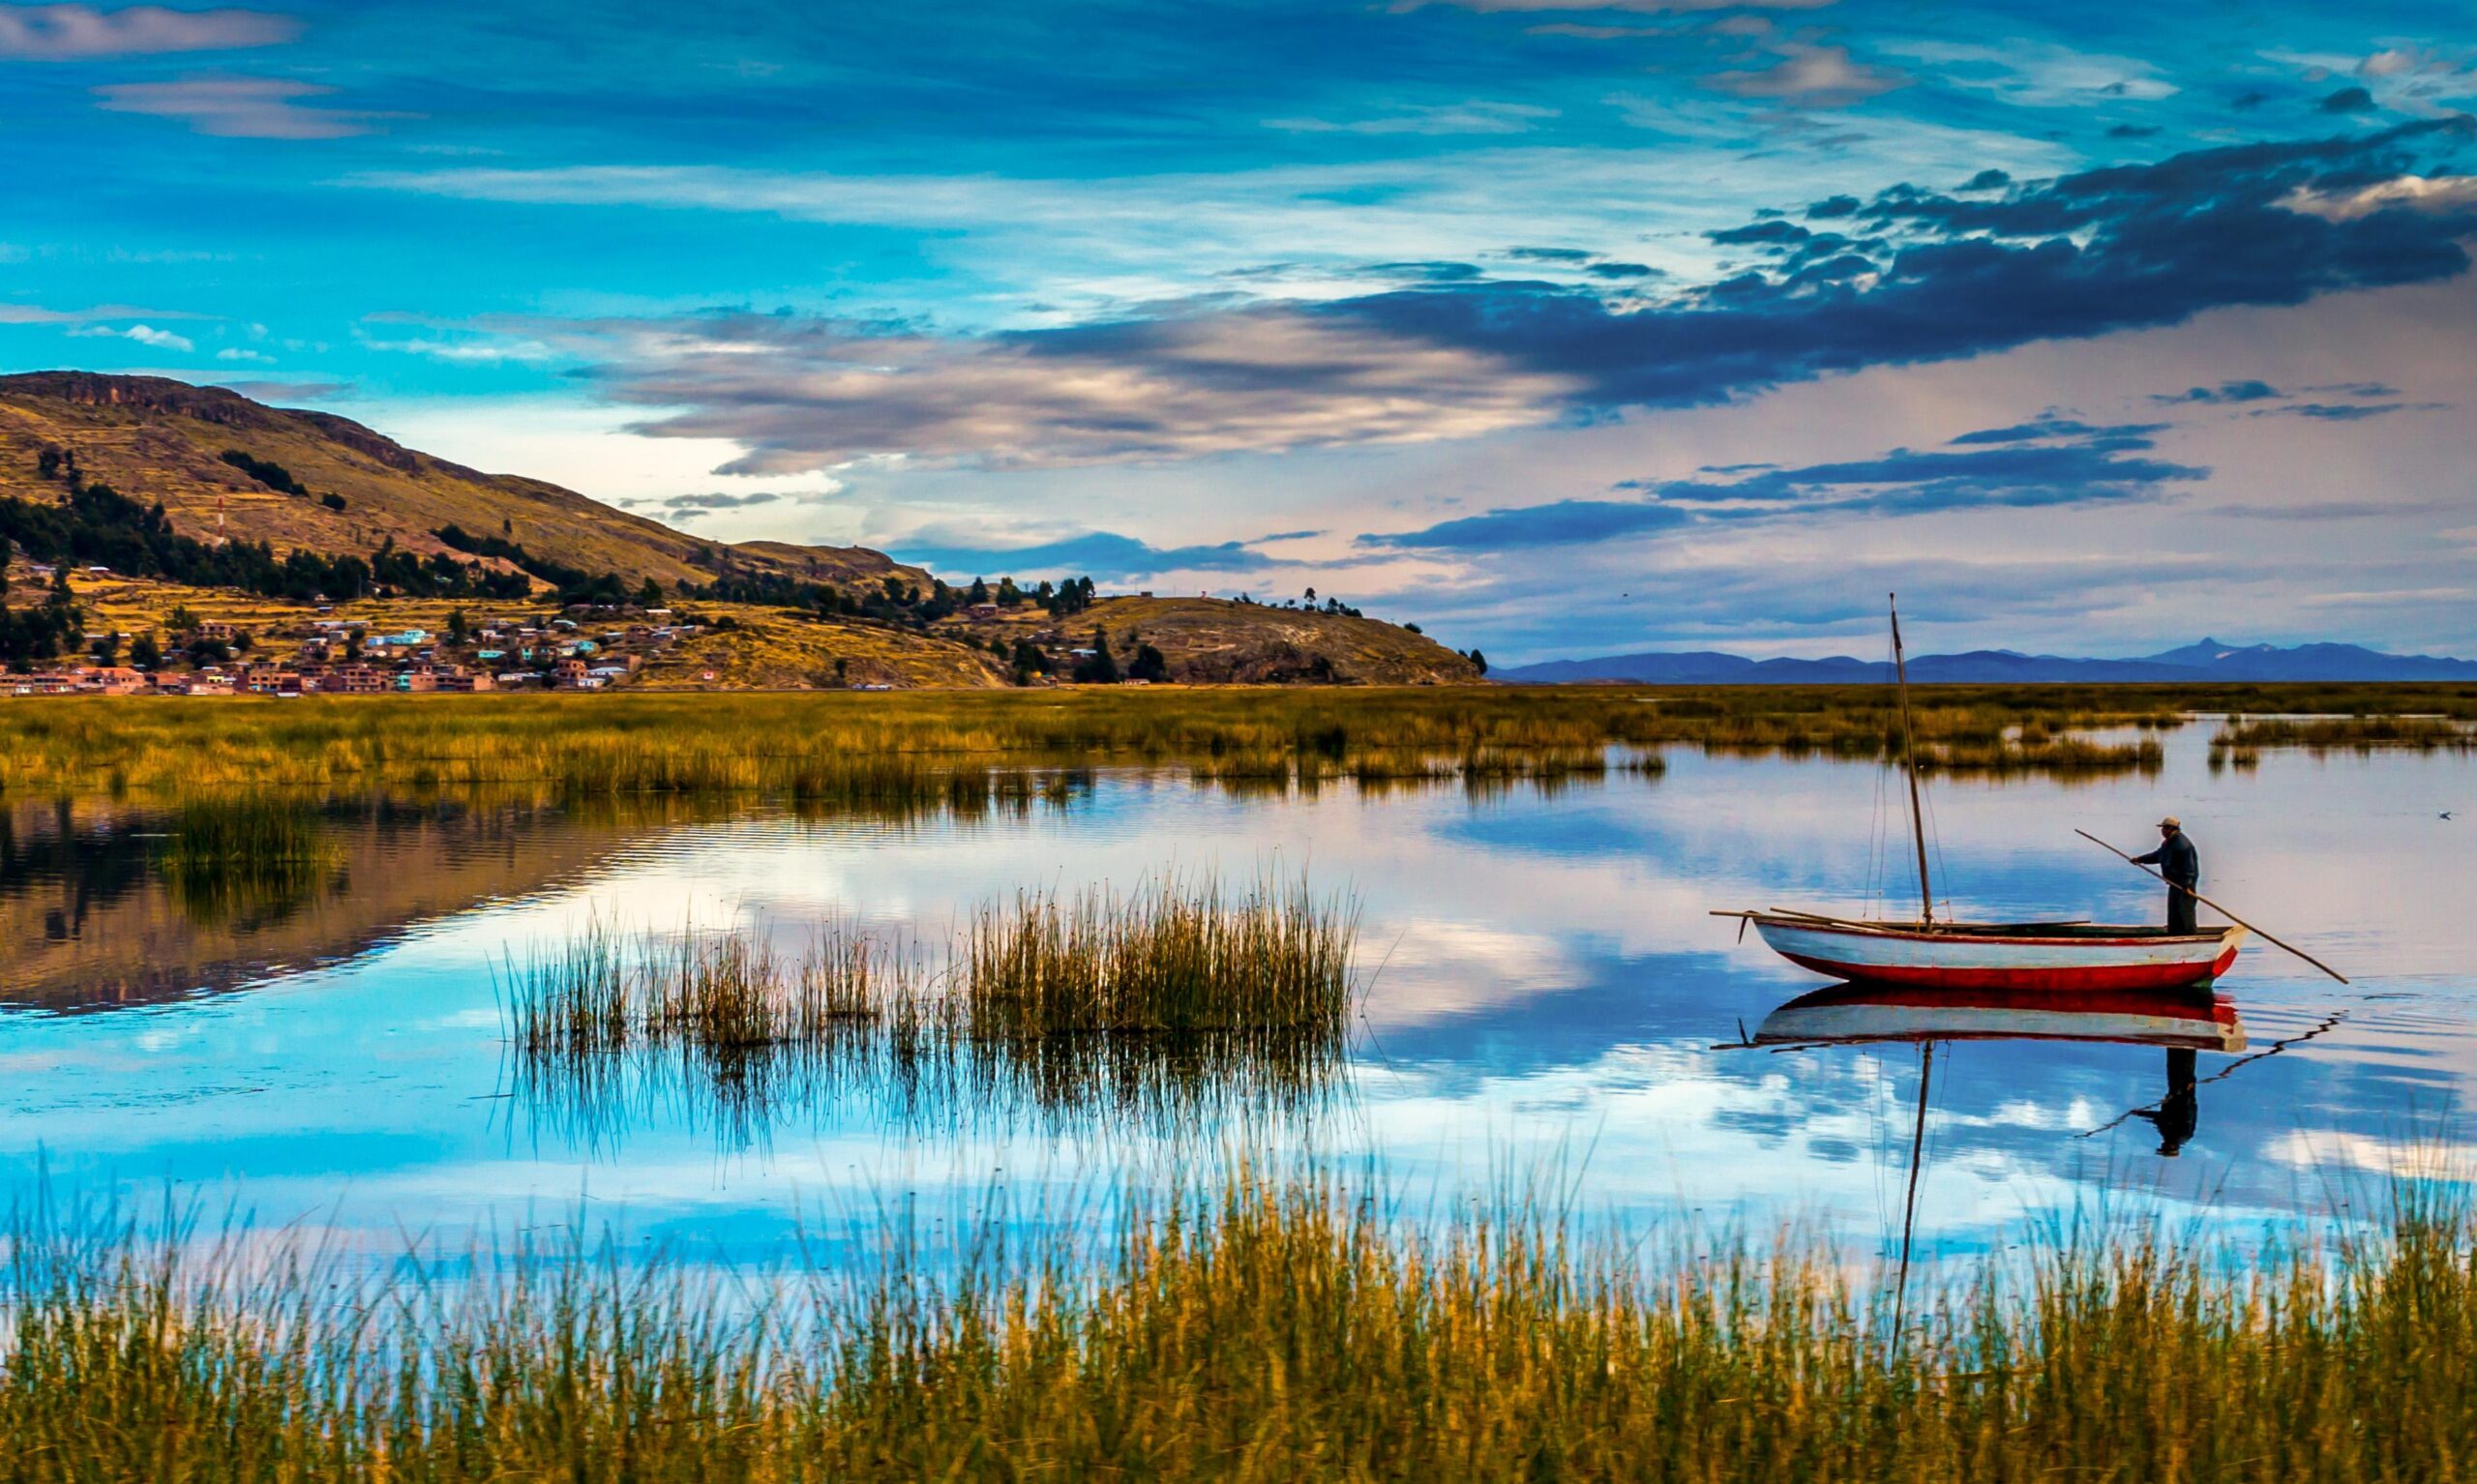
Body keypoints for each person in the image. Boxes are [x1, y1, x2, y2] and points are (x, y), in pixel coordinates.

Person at [2133, 816, 2199, 934]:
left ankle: (2191, 937)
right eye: (2162, 828)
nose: (2163, 831)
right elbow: (2158, 856)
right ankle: (2174, 935)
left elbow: (2189, 868)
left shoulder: (2183, 845)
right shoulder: (2168, 844)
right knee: (2174, 913)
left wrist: (2187, 886)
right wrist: (2140, 859)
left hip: (2185, 886)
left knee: (2185, 912)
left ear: (2172, 829)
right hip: (2175, 885)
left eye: (2165, 828)